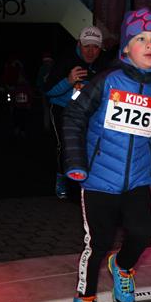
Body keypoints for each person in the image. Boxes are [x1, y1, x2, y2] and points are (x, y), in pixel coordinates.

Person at [62, 8, 151, 302]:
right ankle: (84, 301)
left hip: (138, 179)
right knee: (98, 244)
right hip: (99, 178)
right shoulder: (107, 80)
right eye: (141, 39)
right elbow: (73, 117)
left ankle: (123, 266)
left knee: (144, 232)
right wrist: (76, 163)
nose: (150, 44)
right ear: (126, 47)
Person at [44, 26, 111, 199]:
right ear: (79, 44)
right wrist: (68, 81)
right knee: (64, 145)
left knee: (91, 145)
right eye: (86, 46)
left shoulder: (104, 64)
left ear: (101, 48)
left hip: (88, 112)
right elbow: (48, 91)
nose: (90, 51)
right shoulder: (66, 61)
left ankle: (89, 182)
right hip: (62, 108)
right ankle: (61, 178)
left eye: (95, 47)